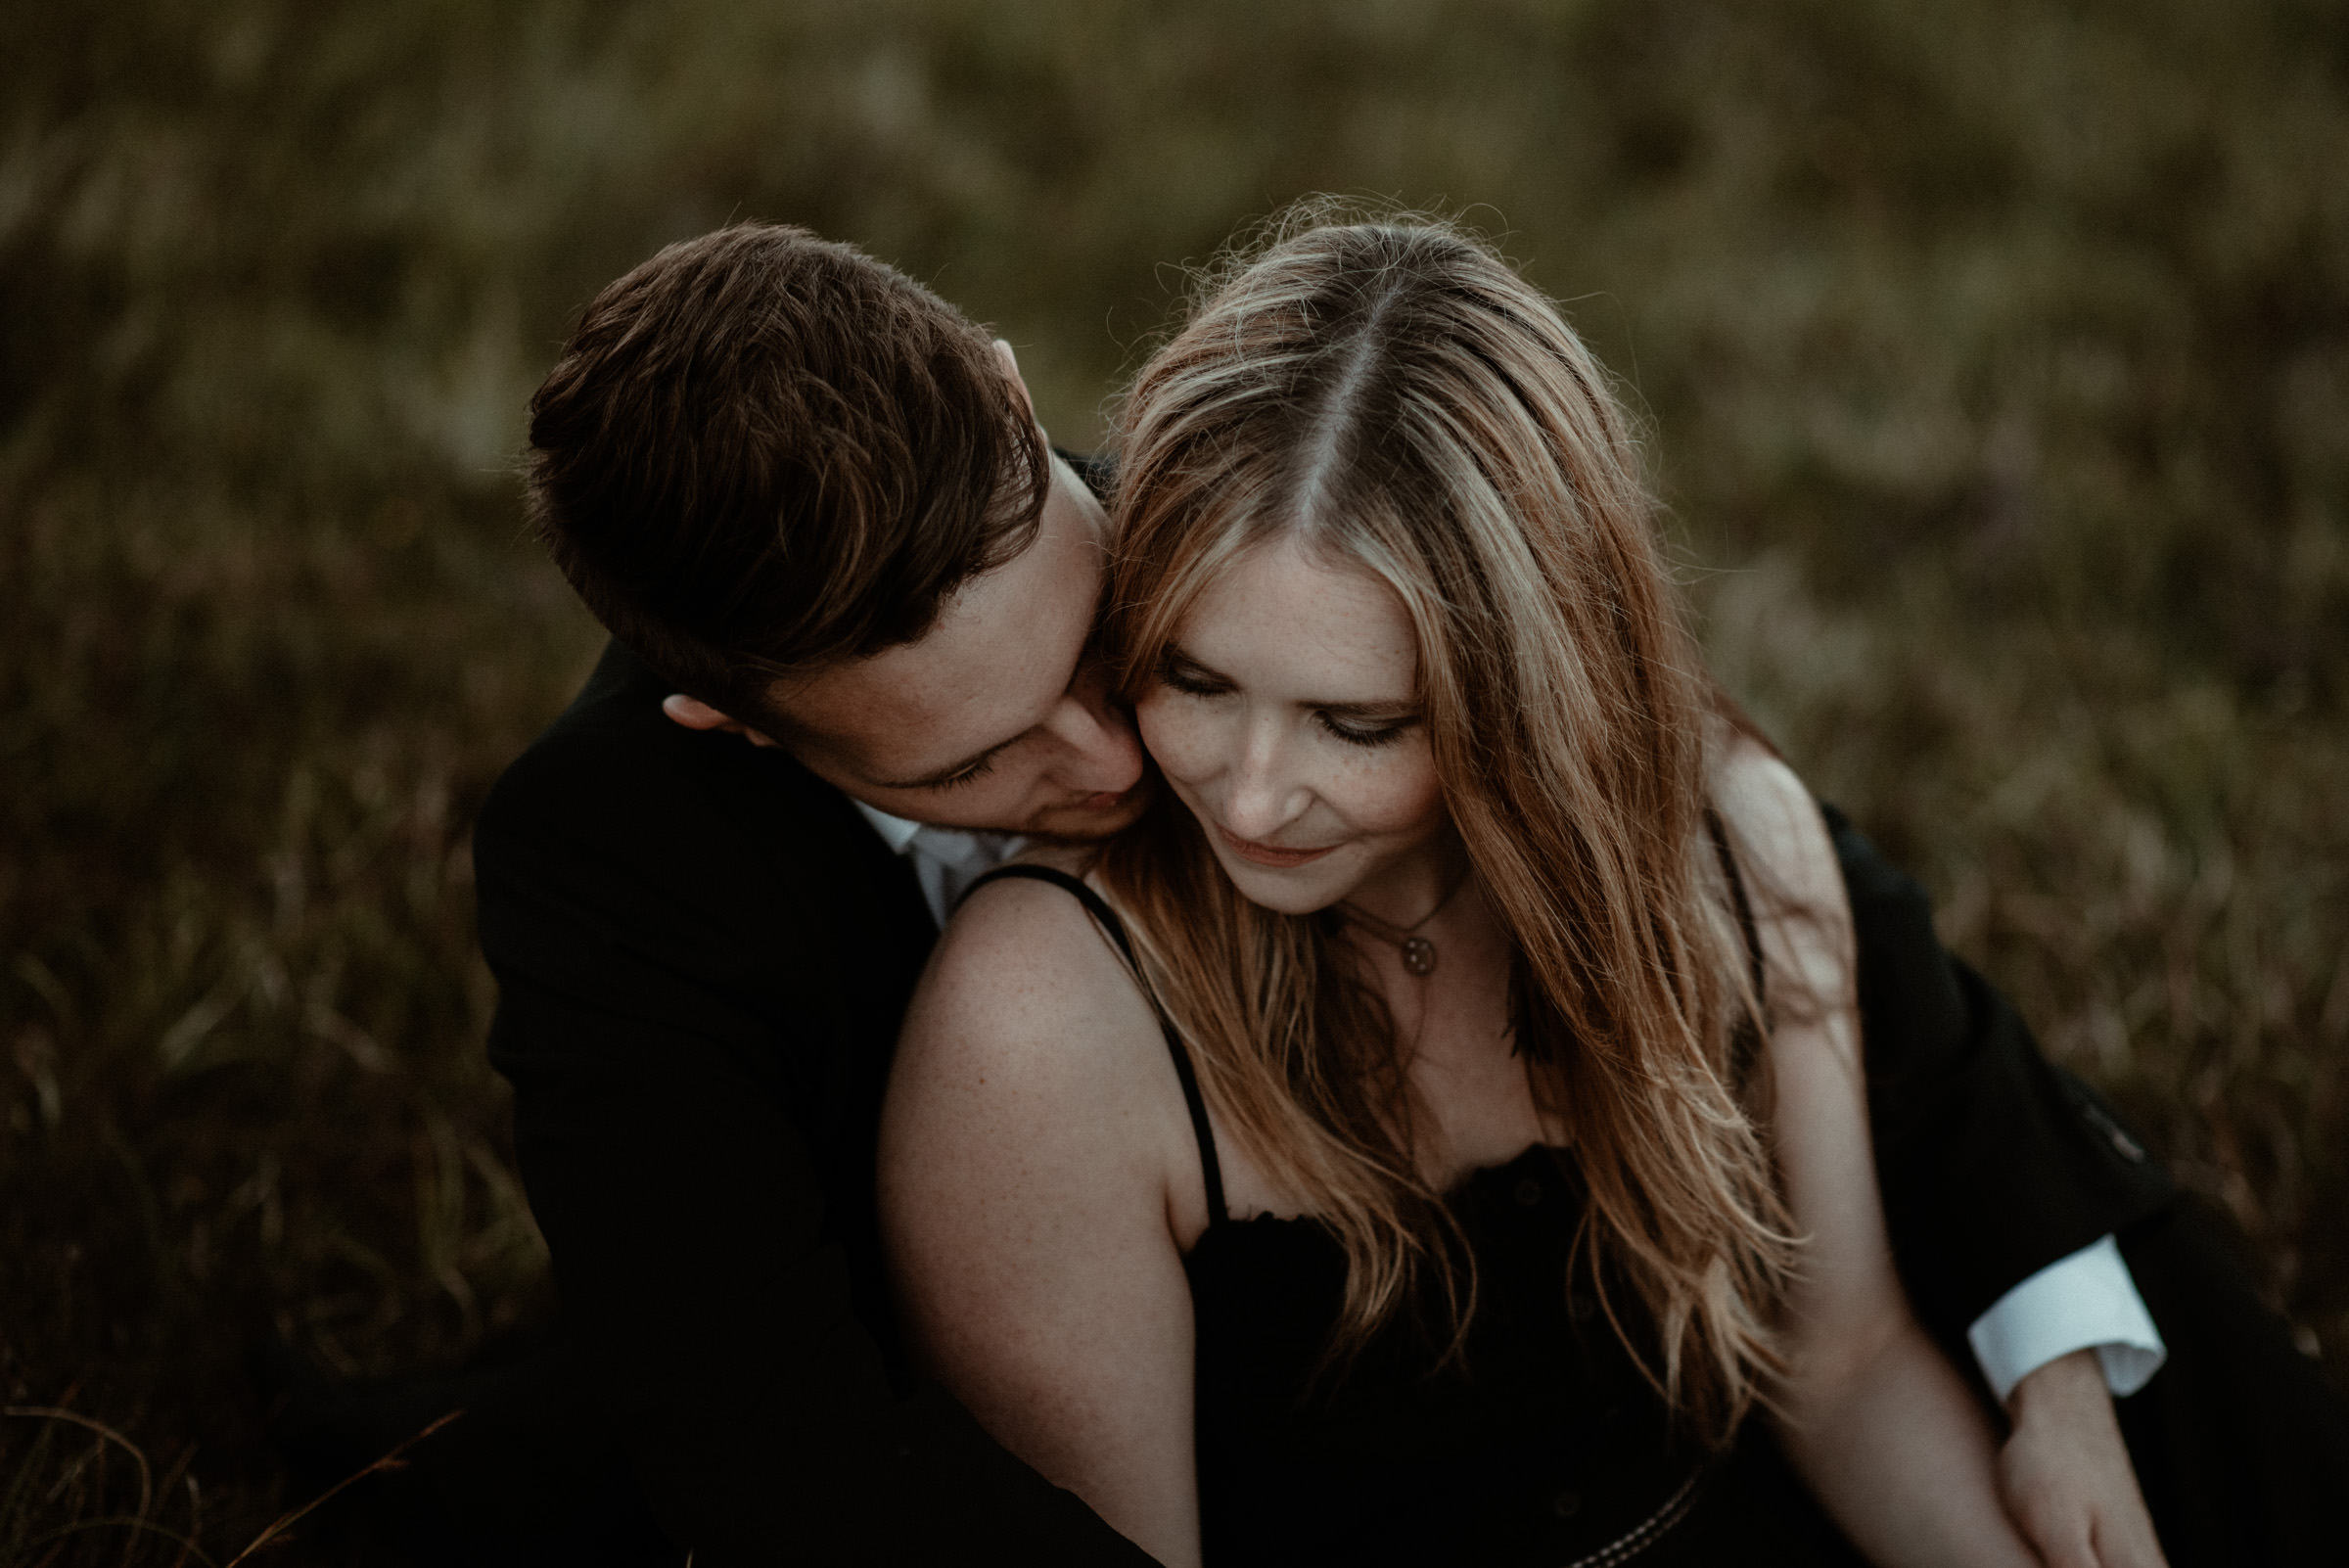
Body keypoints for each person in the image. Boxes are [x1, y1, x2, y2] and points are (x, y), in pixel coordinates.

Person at [272, 219, 2328, 1565]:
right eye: (983, 764)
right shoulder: (660, 881)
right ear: (742, 725)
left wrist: (2049, 1361)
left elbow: (1757, 908)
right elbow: (785, 1455)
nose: (1158, 781)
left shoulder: (1246, 523)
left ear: (1018, 405)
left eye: (1114, 659)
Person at [876, 214, 2349, 1565]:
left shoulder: (1728, 850)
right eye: (1194, 680)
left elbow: (1837, 1371)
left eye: (1358, 723)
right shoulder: (1041, 1030)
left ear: (1529, 698)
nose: (1249, 794)